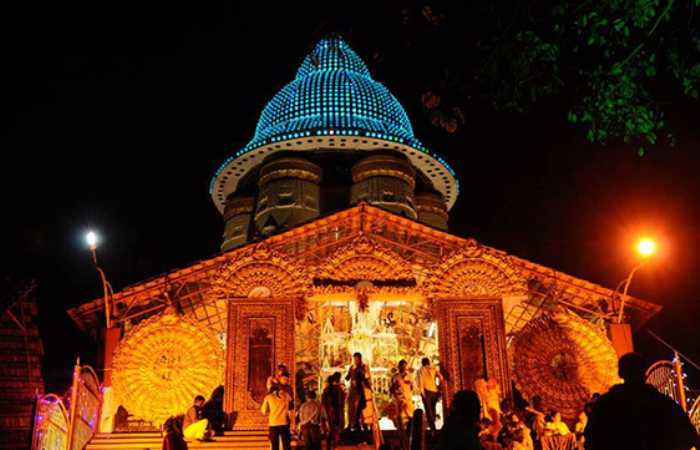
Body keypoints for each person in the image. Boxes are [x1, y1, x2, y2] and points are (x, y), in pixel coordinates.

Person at [584, 352, 699, 450]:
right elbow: (689, 437)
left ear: (620, 373)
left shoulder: (606, 405)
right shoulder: (662, 403)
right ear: (644, 372)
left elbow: (591, 440)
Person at [261, 384, 294, 450]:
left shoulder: (268, 397)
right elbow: (291, 408)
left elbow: (264, 411)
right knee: (286, 444)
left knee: (274, 445)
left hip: (273, 424)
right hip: (284, 423)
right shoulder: (287, 395)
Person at [391, 359, 415, 447]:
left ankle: (409, 436)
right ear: (399, 367)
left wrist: (407, 386)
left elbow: (412, 387)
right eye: (401, 366)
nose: (403, 368)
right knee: (399, 419)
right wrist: (395, 387)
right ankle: (402, 439)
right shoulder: (395, 377)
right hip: (399, 400)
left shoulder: (409, 376)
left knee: (410, 417)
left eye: (405, 366)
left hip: (407, 399)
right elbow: (391, 389)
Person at [417, 357, 445, 431]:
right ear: (428, 362)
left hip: (427, 392)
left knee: (429, 411)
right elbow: (441, 377)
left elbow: (421, 382)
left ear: (422, 363)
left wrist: (422, 394)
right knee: (433, 409)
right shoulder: (433, 368)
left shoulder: (420, 370)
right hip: (434, 391)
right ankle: (433, 427)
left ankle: (433, 429)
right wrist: (439, 386)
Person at [345, 352, 371, 431]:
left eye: (357, 359)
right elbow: (347, 377)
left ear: (360, 359)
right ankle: (350, 424)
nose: (355, 360)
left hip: (360, 391)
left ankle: (361, 424)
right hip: (352, 391)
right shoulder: (352, 367)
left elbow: (366, 377)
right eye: (354, 359)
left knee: (359, 408)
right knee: (350, 408)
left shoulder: (363, 367)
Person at [321, 372, 346, 450]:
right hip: (333, 412)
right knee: (333, 430)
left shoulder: (329, 390)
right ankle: (333, 445)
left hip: (331, 412)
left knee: (332, 430)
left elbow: (323, 402)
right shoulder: (337, 390)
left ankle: (332, 445)